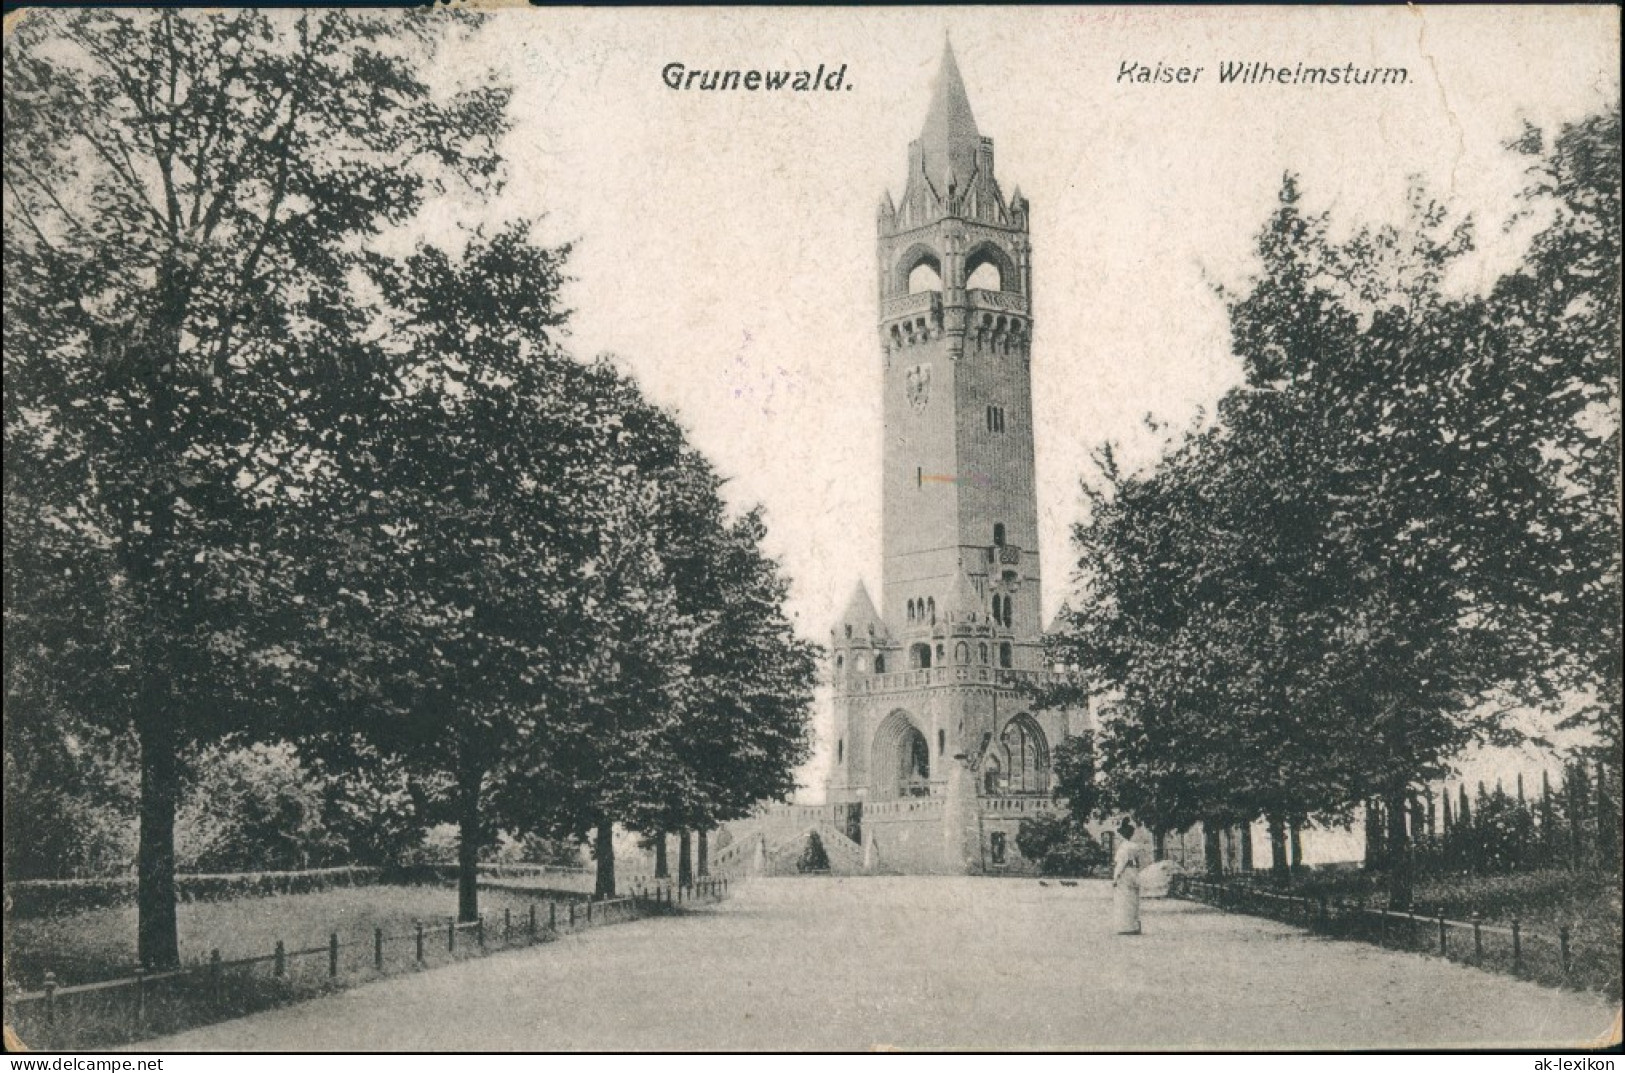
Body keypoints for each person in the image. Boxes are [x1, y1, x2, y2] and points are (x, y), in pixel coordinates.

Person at [1112, 820, 1148, 935]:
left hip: (1125, 873)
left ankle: (1126, 926)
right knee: (1134, 899)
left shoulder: (1123, 847)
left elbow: (1121, 863)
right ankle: (1135, 925)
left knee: (1124, 899)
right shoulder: (1135, 846)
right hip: (1134, 872)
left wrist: (1115, 877)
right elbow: (1140, 861)